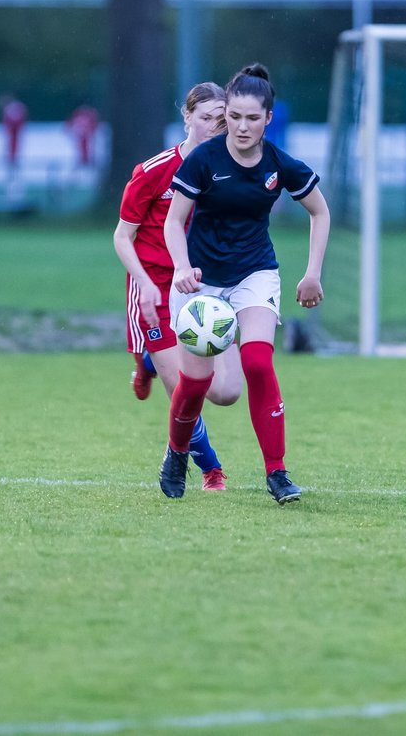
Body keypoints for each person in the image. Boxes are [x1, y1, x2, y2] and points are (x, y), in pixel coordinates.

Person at [161, 63, 330, 504]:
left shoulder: (278, 163)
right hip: (199, 283)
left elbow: (320, 211)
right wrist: (181, 267)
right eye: (234, 116)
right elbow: (174, 221)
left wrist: (312, 272)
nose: (241, 126)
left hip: (254, 274)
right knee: (196, 385)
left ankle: (277, 473)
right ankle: (177, 452)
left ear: (268, 118)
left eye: (252, 118)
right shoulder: (204, 159)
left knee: (257, 363)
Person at [113, 82, 242, 492]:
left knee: (222, 391)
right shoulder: (153, 171)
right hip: (154, 290)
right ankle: (210, 469)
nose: (212, 127)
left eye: (220, 119)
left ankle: (149, 362)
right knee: (184, 394)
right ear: (186, 117)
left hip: (202, 292)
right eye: (204, 118)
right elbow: (121, 236)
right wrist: (145, 283)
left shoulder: (227, 171)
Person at [0, 94, 28, 208]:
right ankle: (15, 194)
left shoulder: (11, 112)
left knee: (13, 172)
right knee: (14, 172)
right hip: (15, 146)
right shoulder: (17, 111)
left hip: (14, 148)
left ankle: (14, 195)